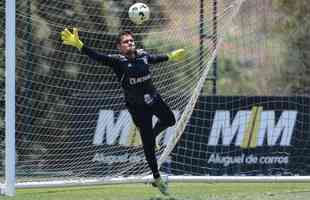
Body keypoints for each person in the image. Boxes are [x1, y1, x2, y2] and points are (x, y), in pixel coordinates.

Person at [61, 28, 185, 195]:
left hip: (153, 99)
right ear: (119, 47)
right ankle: (157, 177)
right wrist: (79, 45)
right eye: (126, 42)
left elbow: (155, 58)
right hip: (137, 108)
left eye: (131, 40)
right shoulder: (117, 61)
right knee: (147, 143)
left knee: (170, 120)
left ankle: (153, 136)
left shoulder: (143, 55)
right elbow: (98, 57)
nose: (130, 43)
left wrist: (171, 56)